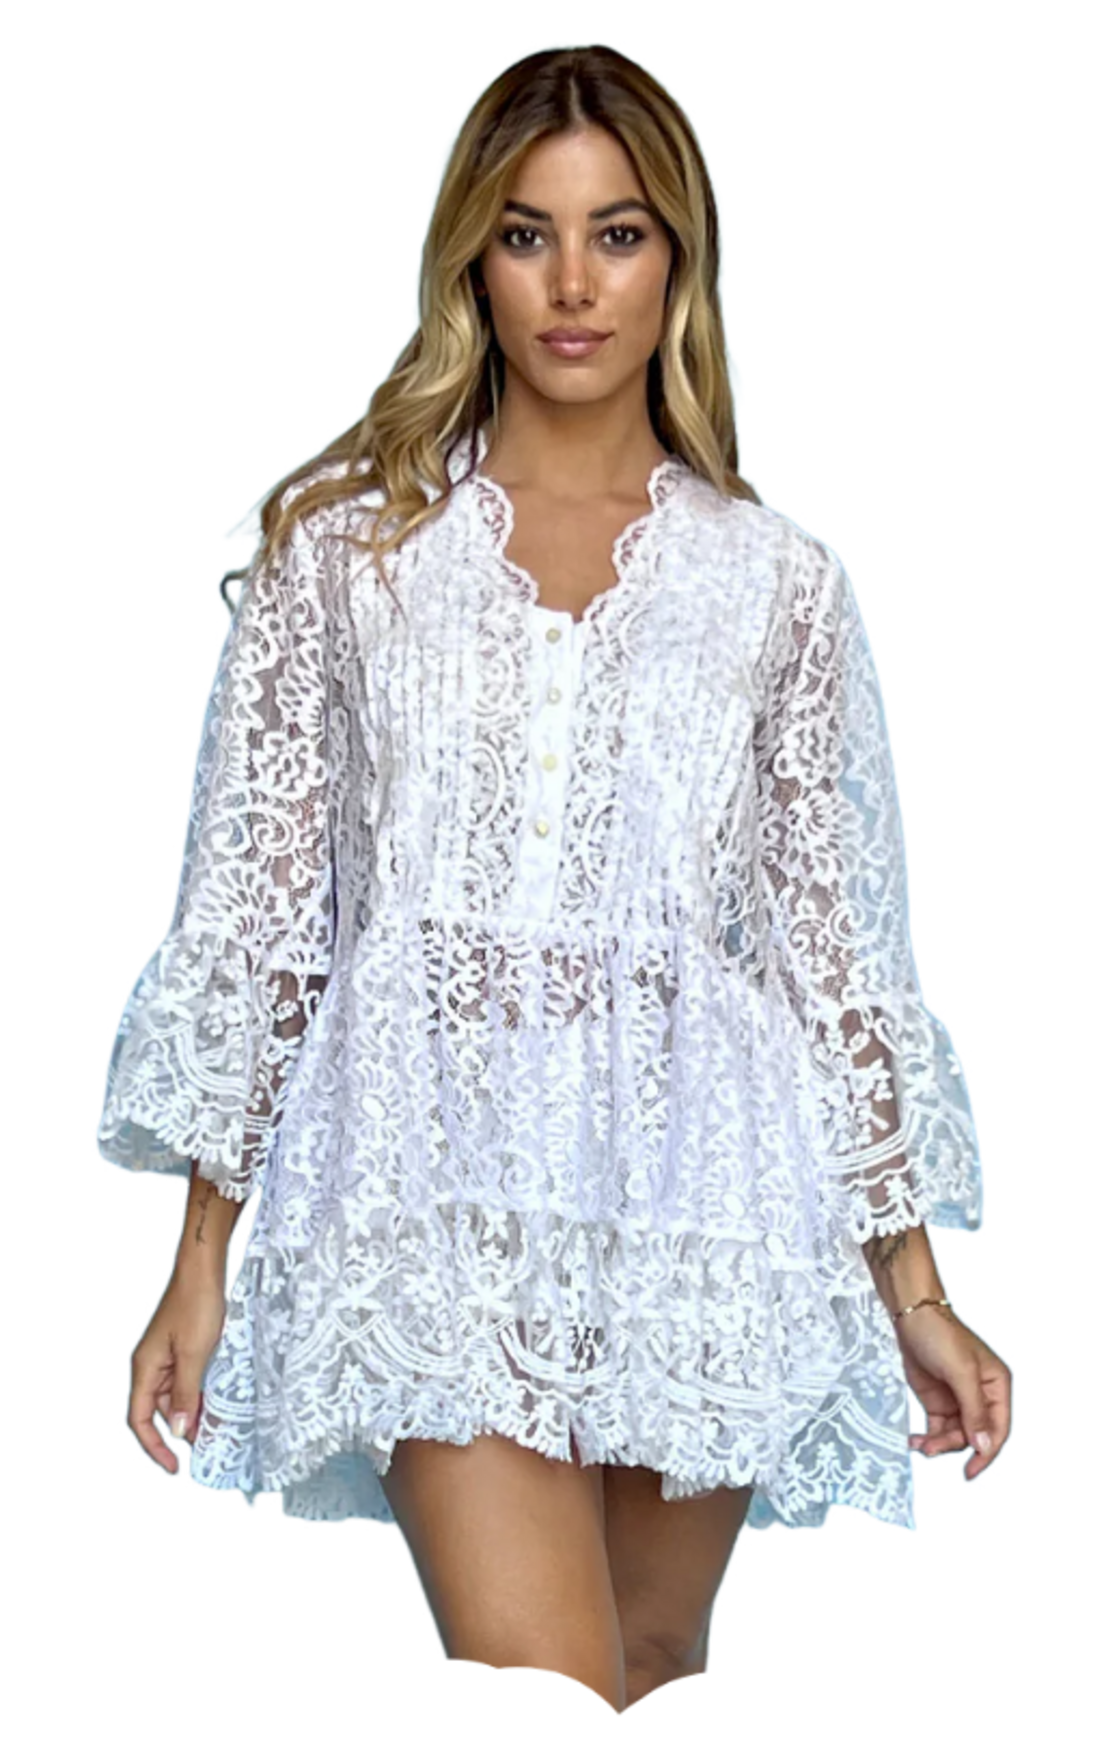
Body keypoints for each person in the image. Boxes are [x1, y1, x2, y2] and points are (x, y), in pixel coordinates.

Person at [96, 42, 1013, 1720]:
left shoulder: (777, 585)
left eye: (617, 233)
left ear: (678, 262)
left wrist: (914, 1291)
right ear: (471, 261)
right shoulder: (344, 549)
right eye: (526, 236)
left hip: (700, 1190)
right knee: (544, 1686)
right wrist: (197, 1255)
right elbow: (262, 911)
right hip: (429, 1176)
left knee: (651, 1673)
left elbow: (834, 954)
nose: (573, 284)